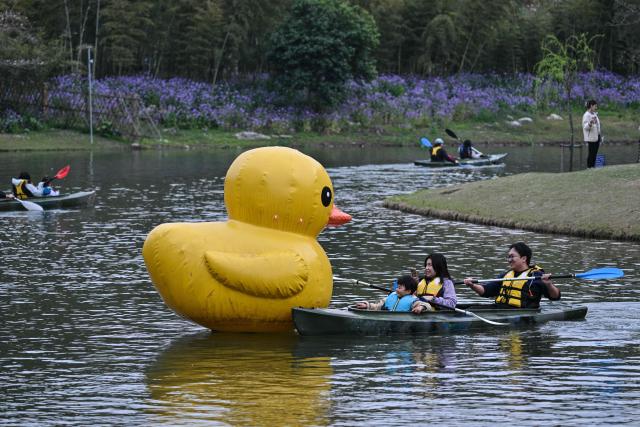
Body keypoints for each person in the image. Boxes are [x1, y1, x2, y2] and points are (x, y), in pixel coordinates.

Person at [463, 242, 560, 309]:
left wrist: (548, 284)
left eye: (512, 256)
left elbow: (555, 297)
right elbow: (486, 291)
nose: (509, 260)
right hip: (499, 309)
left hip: (521, 312)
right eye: (508, 257)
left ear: (523, 258)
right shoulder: (506, 275)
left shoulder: (536, 276)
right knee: (462, 307)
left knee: (472, 309)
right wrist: (472, 285)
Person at [355, 275, 421, 312]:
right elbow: (378, 306)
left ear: (408, 291)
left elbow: (426, 306)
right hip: (387, 318)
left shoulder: (413, 300)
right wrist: (367, 305)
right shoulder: (391, 296)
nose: (396, 289)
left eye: (399, 288)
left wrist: (420, 308)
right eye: (397, 287)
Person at [582, 99, 601, 168]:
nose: (596, 108)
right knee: (591, 154)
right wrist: (590, 123)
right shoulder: (586, 115)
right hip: (591, 138)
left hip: (597, 137)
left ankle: (593, 167)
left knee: (595, 153)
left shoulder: (594, 114)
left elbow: (597, 125)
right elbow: (585, 127)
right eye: (595, 106)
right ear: (591, 106)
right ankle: (589, 167)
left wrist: (599, 135)